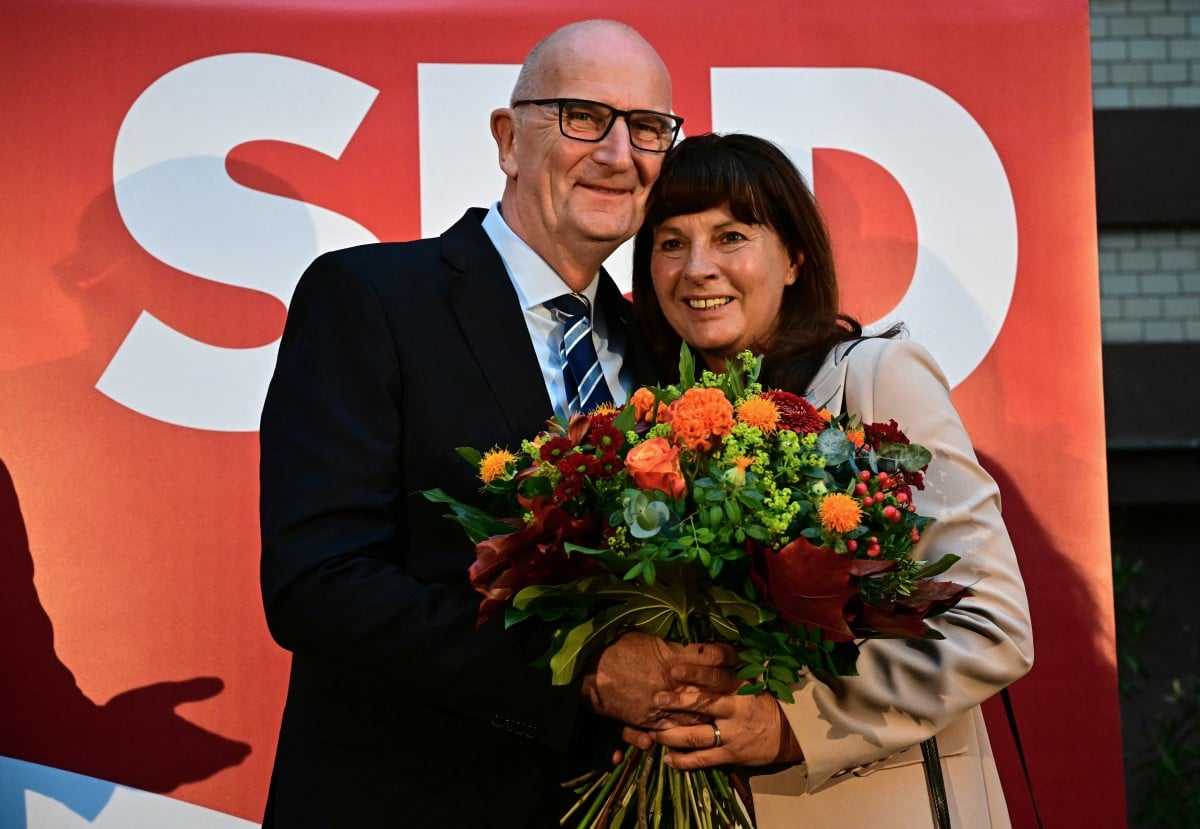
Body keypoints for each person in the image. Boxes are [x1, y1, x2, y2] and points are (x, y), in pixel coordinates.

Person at [258, 20, 733, 827]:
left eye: (648, 128)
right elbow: (319, 585)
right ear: (509, 140)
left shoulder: (663, 353)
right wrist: (580, 670)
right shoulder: (370, 298)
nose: (620, 153)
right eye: (584, 116)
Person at [627, 133, 1035, 827]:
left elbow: (994, 624)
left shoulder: (874, 379)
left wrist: (794, 724)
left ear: (793, 258)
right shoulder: (651, 437)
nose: (698, 268)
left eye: (730, 236)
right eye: (670, 242)